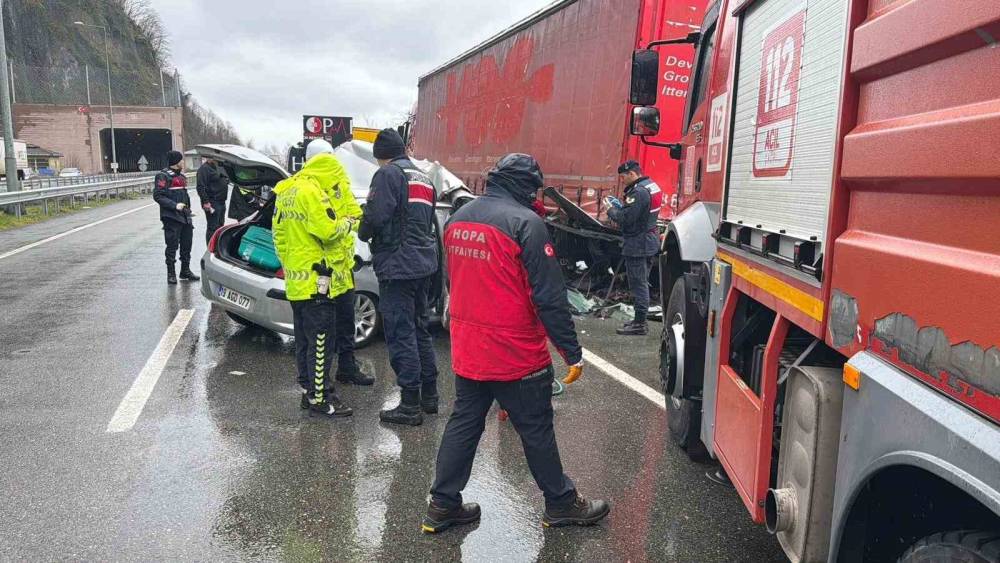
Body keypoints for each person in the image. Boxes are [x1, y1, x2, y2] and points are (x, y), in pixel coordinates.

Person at [422, 153, 609, 533]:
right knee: (536, 429)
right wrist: (571, 352)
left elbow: (452, 280)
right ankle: (560, 503)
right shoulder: (526, 224)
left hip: (469, 348)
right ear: (525, 186)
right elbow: (549, 298)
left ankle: (442, 505)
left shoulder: (458, 219)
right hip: (516, 354)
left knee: (464, 424)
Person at [272, 147, 364, 418]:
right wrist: (348, 223)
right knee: (321, 342)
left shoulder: (286, 191)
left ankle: (308, 390)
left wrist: (292, 265)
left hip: (297, 282)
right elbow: (328, 230)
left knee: (304, 341)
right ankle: (321, 398)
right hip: (318, 282)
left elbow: (278, 236)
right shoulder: (312, 192)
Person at [358, 129, 440, 426]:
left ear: (382, 156)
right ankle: (429, 396)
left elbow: (376, 216)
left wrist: (363, 230)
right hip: (423, 265)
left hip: (398, 266)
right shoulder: (424, 178)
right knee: (420, 330)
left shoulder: (388, 174)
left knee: (400, 333)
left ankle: (409, 405)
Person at [304, 139, 374, 386]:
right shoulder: (307, 189)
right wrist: (344, 224)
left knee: (344, 323)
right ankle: (320, 384)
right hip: (320, 272)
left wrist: (348, 223)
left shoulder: (339, 184)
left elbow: (355, 216)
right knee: (323, 330)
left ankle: (345, 369)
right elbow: (327, 229)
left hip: (341, 269)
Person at [605, 160, 662, 336]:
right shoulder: (651, 186)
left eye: (623, 177)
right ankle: (639, 320)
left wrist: (611, 210)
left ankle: (639, 323)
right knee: (642, 282)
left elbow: (626, 219)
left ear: (632, 174)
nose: (621, 181)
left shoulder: (638, 192)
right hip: (649, 240)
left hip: (638, 244)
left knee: (638, 284)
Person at [153, 150, 199, 285]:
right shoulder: (163, 176)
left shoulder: (182, 177)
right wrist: (174, 206)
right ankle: (171, 274)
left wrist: (188, 210)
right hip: (171, 217)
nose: (183, 162)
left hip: (185, 217)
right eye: (181, 160)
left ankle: (185, 271)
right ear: (175, 162)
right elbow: (158, 196)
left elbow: (184, 196)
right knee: (172, 246)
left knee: (187, 245)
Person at [196, 157, 231, 243]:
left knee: (220, 226)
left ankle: (217, 246)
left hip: (221, 201)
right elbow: (200, 187)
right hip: (212, 202)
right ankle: (210, 247)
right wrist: (205, 202)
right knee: (213, 227)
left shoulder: (218, 167)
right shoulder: (204, 169)